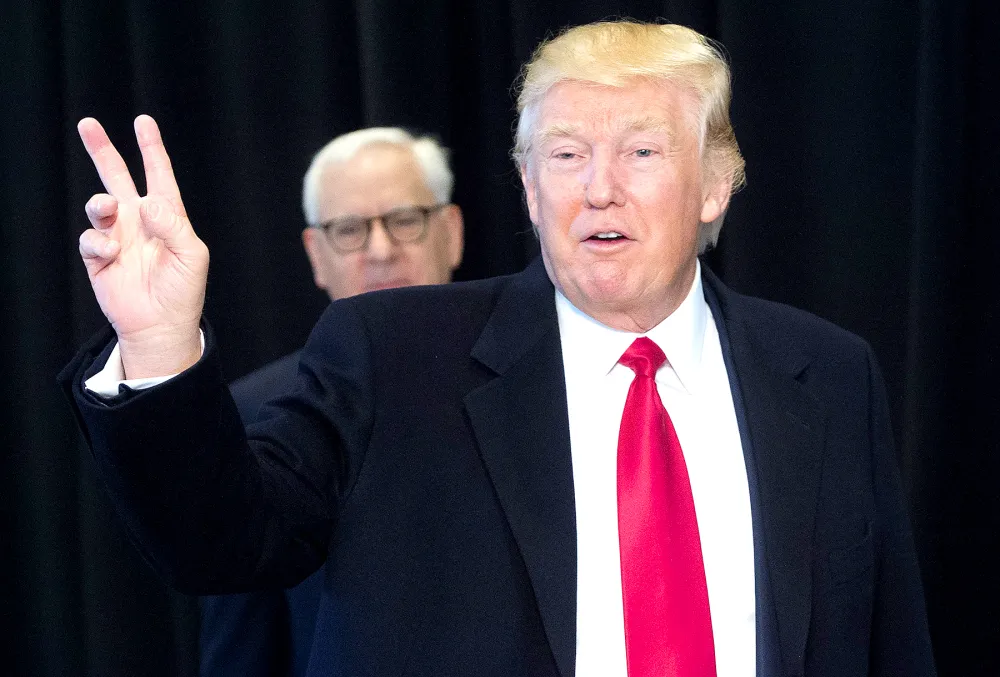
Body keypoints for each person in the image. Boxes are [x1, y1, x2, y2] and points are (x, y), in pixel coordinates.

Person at [61, 21, 935, 677]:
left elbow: (890, 639)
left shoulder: (825, 371)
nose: (599, 189)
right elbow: (220, 544)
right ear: (526, 186)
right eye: (565, 153)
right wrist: (159, 341)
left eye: (640, 151)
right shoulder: (391, 356)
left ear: (715, 185)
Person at [199, 128, 464, 677]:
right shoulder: (257, 413)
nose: (382, 251)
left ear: (452, 232)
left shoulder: (531, 377)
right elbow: (243, 646)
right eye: (349, 230)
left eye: (405, 220)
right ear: (316, 255)